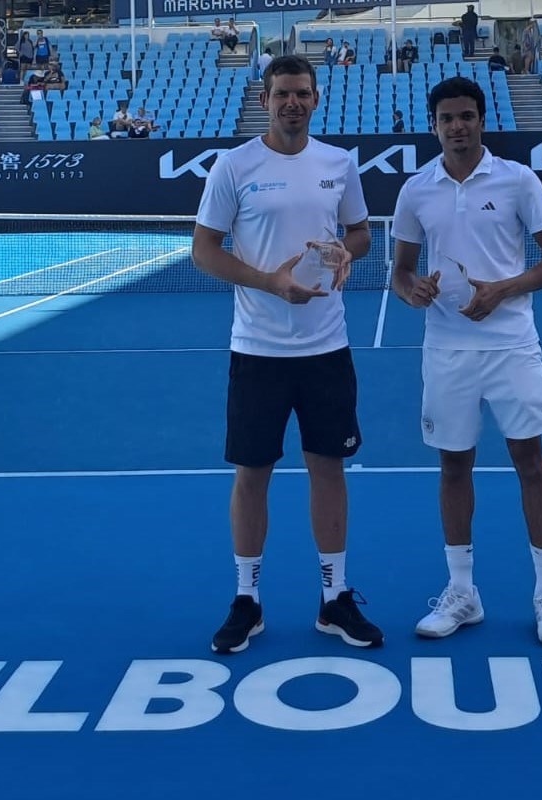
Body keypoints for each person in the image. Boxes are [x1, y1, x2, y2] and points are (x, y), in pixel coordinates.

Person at [191, 54, 382, 655]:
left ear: (316, 98)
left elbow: (360, 232)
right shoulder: (234, 166)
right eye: (281, 94)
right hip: (258, 351)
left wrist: (348, 252)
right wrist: (268, 281)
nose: (292, 103)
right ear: (265, 100)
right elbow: (203, 250)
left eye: (301, 93)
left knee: (328, 468)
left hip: (327, 347)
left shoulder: (338, 164)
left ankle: (334, 599)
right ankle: (246, 600)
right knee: (254, 475)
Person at [389, 76, 542, 645]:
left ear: (481, 120)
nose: (457, 126)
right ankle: (462, 592)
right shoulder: (415, 190)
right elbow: (399, 272)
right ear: (434, 125)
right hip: (446, 350)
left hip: (512, 346)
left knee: (530, 462)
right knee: (453, 467)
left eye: (467, 116)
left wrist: (503, 289)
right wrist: (412, 289)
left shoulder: (518, 181)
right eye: (447, 118)